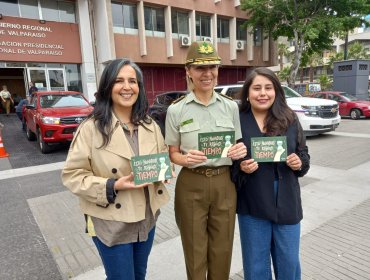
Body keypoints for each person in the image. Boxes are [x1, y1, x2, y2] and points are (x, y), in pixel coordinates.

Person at [61, 58, 170, 280]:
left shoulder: (149, 125)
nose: (127, 87)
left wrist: (163, 173)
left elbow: (162, 157)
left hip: (146, 218)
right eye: (119, 80)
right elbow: (72, 176)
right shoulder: (91, 128)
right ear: (108, 86)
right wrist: (113, 185)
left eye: (133, 81)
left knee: (139, 275)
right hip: (111, 221)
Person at [165, 41, 247, 280]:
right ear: (188, 71)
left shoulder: (231, 107)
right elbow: (173, 153)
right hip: (192, 182)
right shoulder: (176, 110)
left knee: (222, 248)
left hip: (224, 183)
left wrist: (238, 153)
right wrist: (184, 158)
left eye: (212, 67)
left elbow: (238, 145)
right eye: (200, 68)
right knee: (194, 249)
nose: (207, 73)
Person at [231, 67, 310, 280]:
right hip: (253, 199)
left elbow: (304, 157)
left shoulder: (289, 118)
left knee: (289, 263)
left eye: (268, 87)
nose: (263, 93)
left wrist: (297, 163)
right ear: (248, 92)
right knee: (256, 265)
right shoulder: (237, 120)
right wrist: (241, 167)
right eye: (257, 88)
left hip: (286, 198)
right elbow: (228, 163)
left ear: (276, 91)